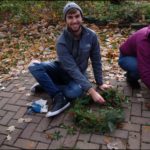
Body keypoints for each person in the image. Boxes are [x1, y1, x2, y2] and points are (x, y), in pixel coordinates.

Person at [28, 2, 111, 117]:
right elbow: (70, 68)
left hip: (79, 73)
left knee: (73, 93)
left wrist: (100, 82)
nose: (74, 21)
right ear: (65, 20)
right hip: (61, 69)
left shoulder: (91, 36)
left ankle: (46, 85)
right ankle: (58, 97)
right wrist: (92, 91)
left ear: (82, 17)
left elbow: (96, 60)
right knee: (34, 67)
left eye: (77, 16)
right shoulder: (61, 41)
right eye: (70, 17)